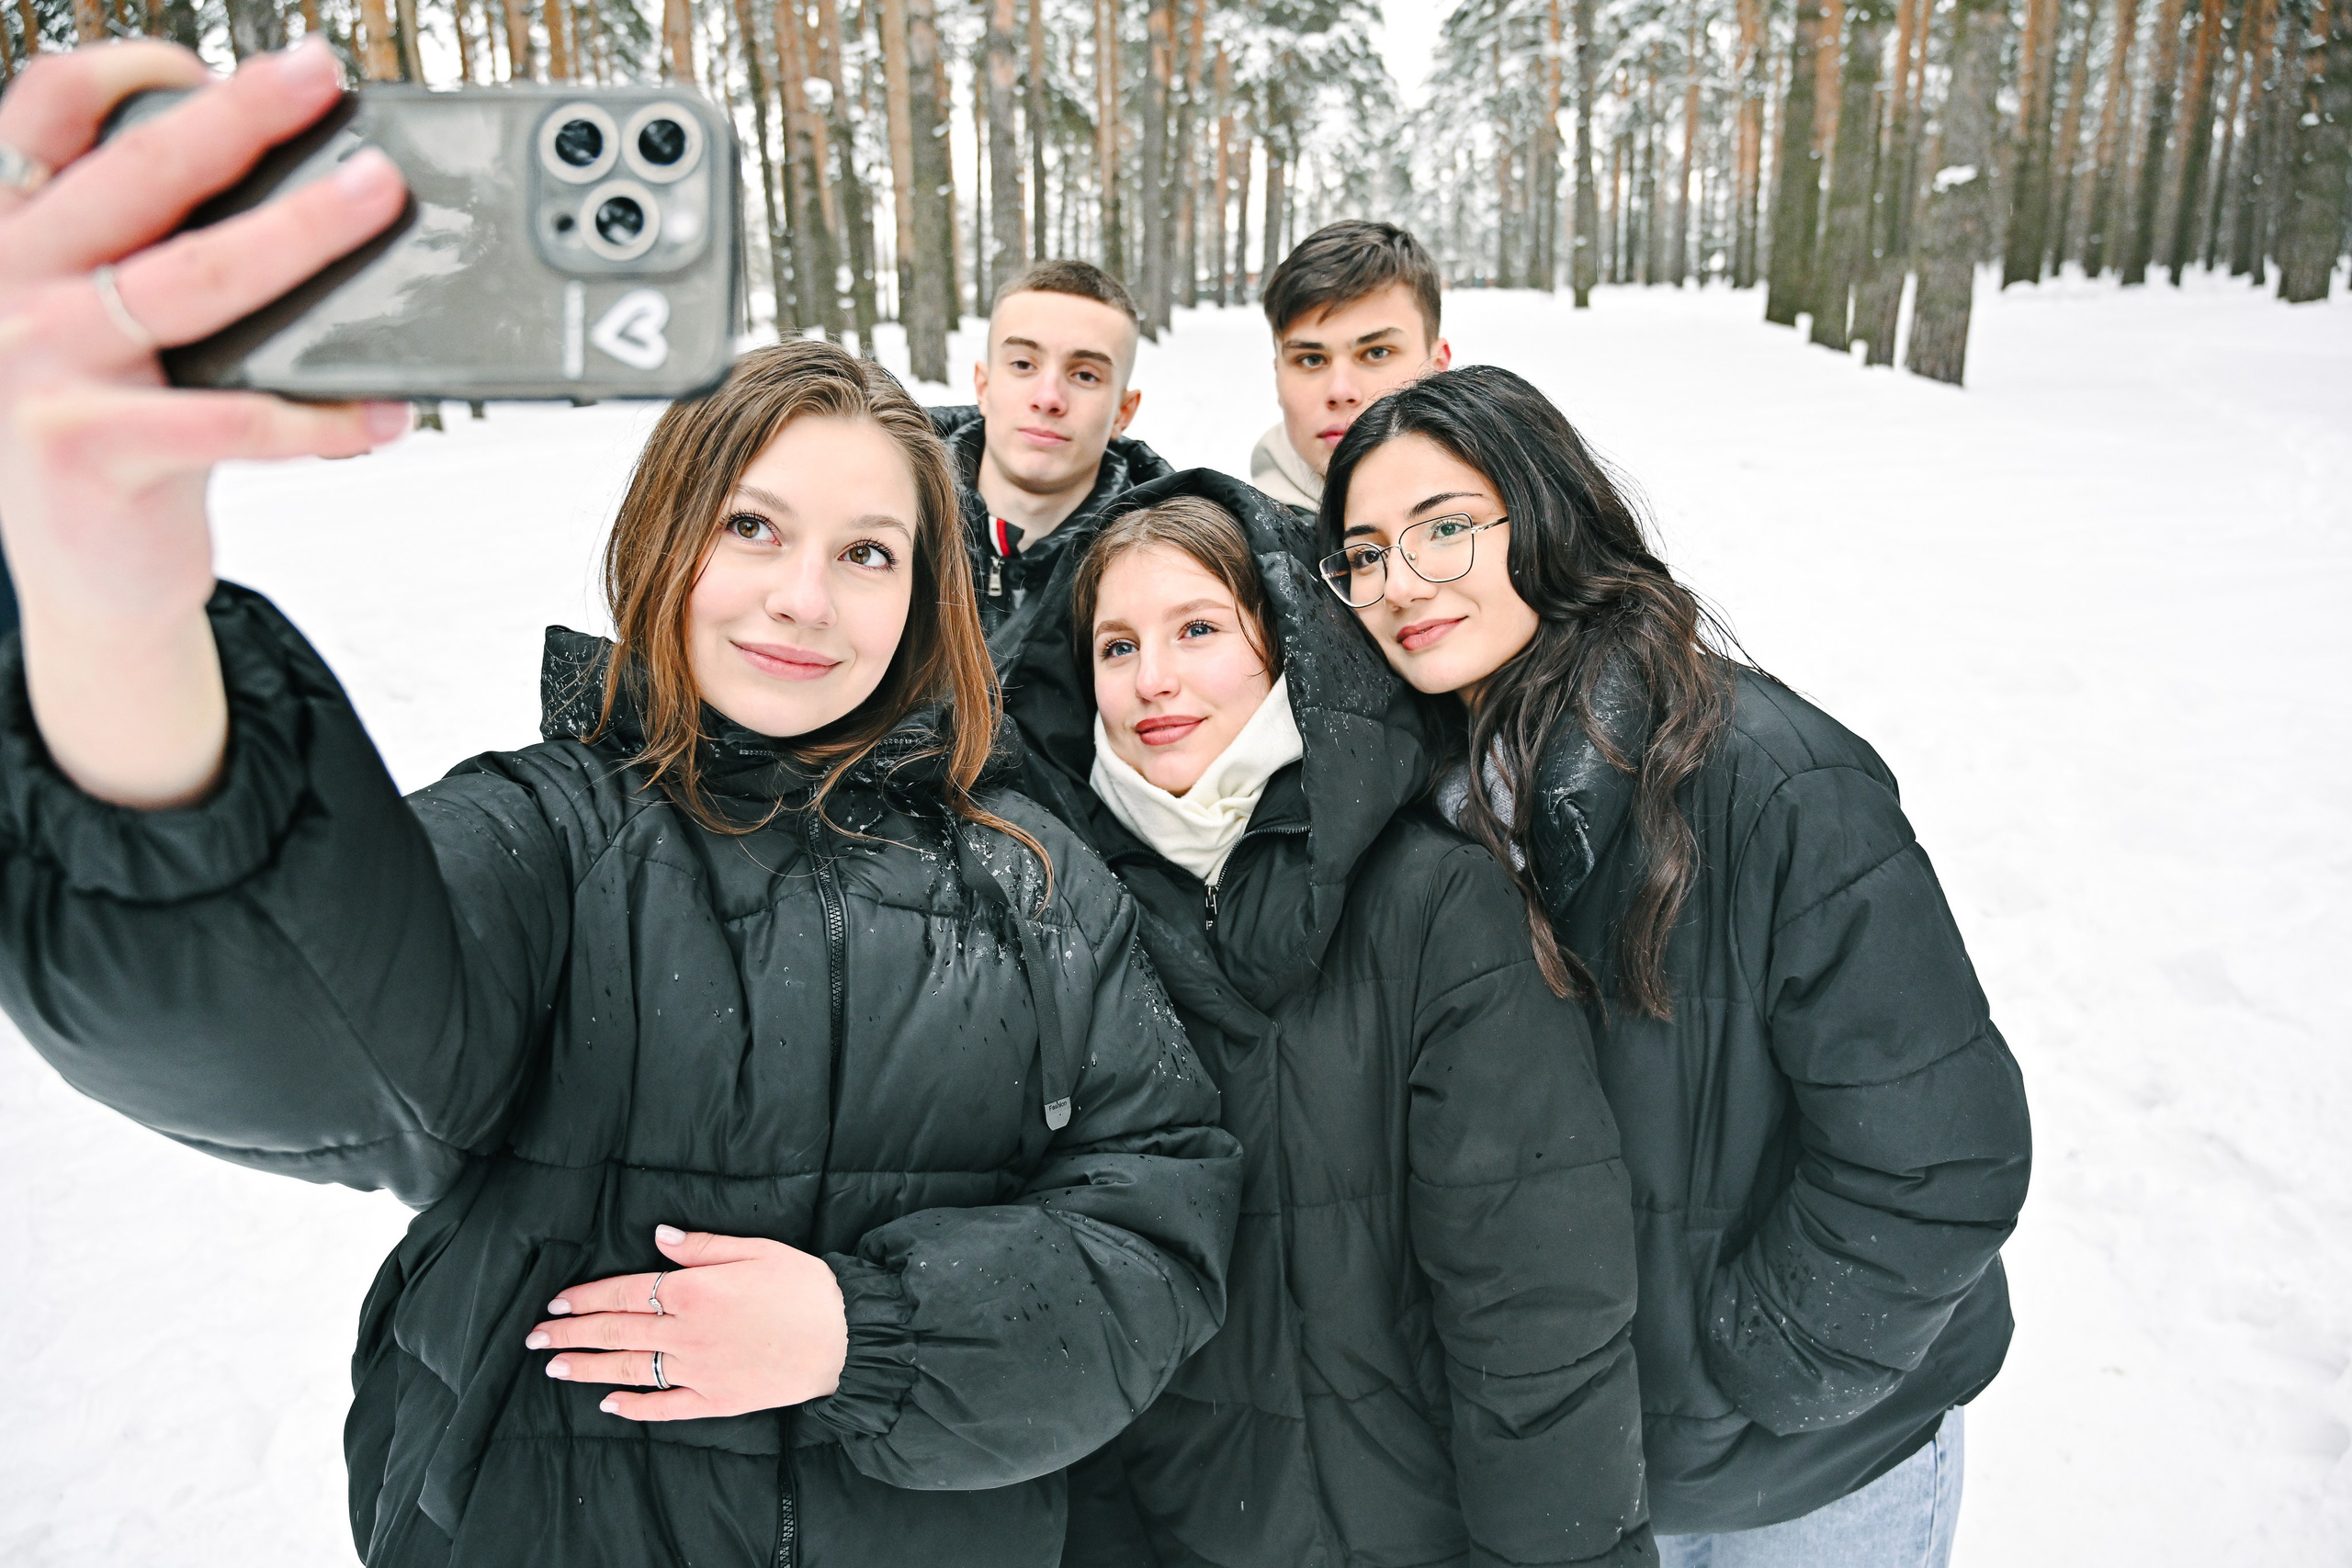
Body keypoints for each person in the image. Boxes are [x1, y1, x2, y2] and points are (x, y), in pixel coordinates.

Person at [0, 44, 1241, 1568]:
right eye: (754, 526)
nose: (803, 597)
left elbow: (1159, 1230)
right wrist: (113, 598)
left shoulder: (1032, 874)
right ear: (668, 544)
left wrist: (871, 1328)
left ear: (927, 598)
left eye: (868, 552)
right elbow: (303, 1016)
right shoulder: (553, 833)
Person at [1316, 366, 2032, 1567]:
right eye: (1366, 553)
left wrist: (1746, 1365)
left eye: (1444, 527)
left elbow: (1941, 1151)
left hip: (1811, 1476)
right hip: (1589, 1475)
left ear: (1545, 514)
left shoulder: (1769, 776)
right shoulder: (1427, 808)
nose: (1402, 582)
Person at [996, 473, 1654, 1568]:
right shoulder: (1059, 912)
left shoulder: (1436, 898)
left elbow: (1534, 1300)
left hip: (1429, 1535)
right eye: (1116, 647)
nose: (1152, 678)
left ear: (1287, 646)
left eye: (1198, 628)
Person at [930, 259, 1173, 644]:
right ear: (983, 387)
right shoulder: (891, 520)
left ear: (1122, 413)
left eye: (1085, 375)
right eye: (1024, 364)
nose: (1048, 399)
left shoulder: (1167, 570)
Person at [1248, 220, 1451, 514]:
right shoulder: (1229, 556)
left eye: (1377, 353)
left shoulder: (1522, 526)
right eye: (1311, 360)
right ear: (1278, 376)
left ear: (1438, 367)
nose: (1340, 392)